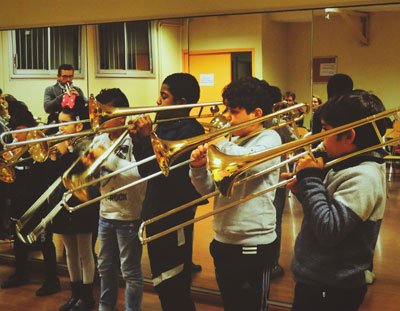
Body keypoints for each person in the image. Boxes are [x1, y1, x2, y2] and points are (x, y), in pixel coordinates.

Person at [283, 90, 387, 311]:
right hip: (319, 279)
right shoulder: (344, 164)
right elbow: (325, 211)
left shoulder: (363, 176)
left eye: (327, 129)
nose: (321, 137)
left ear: (348, 135)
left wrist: (311, 178)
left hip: (333, 286)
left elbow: (329, 230)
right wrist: (305, 191)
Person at [190, 77, 282, 311]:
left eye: (234, 111)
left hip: (254, 243)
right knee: (231, 305)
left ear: (256, 113)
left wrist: (220, 142)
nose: (227, 117)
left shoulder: (270, 138)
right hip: (223, 240)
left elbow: (252, 164)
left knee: (252, 307)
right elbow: (209, 189)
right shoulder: (230, 142)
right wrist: (198, 168)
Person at [131, 73, 205, 311]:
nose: (158, 101)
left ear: (181, 101)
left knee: (174, 282)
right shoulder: (163, 125)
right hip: (156, 211)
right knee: (162, 281)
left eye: (164, 96)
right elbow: (146, 171)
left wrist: (145, 139)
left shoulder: (191, 130)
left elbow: (164, 174)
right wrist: (139, 140)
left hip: (174, 216)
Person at [84, 88, 145, 311]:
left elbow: (139, 174)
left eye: (104, 115)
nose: (99, 120)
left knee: (130, 271)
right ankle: (105, 307)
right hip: (105, 212)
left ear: (120, 115)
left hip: (128, 214)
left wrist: (109, 161)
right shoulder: (99, 138)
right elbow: (88, 171)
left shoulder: (134, 140)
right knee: (105, 267)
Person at [1, 108, 61, 296]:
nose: (17, 135)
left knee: (45, 241)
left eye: (20, 129)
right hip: (18, 200)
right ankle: (21, 273)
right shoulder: (13, 146)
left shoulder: (39, 145)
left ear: (30, 129)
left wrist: (48, 156)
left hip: (39, 202)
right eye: (14, 130)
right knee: (19, 238)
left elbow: (50, 174)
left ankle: (52, 279)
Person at [49, 99, 99, 311]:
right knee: (69, 251)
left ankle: (87, 296)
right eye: (59, 122)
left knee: (84, 250)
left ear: (78, 126)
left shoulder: (88, 144)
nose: (60, 127)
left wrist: (65, 152)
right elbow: (55, 178)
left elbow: (80, 175)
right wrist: (53, 158)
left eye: (64, 123)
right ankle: (75, 293)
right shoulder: (62, 144)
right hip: (62, 203)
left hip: (82, 203)